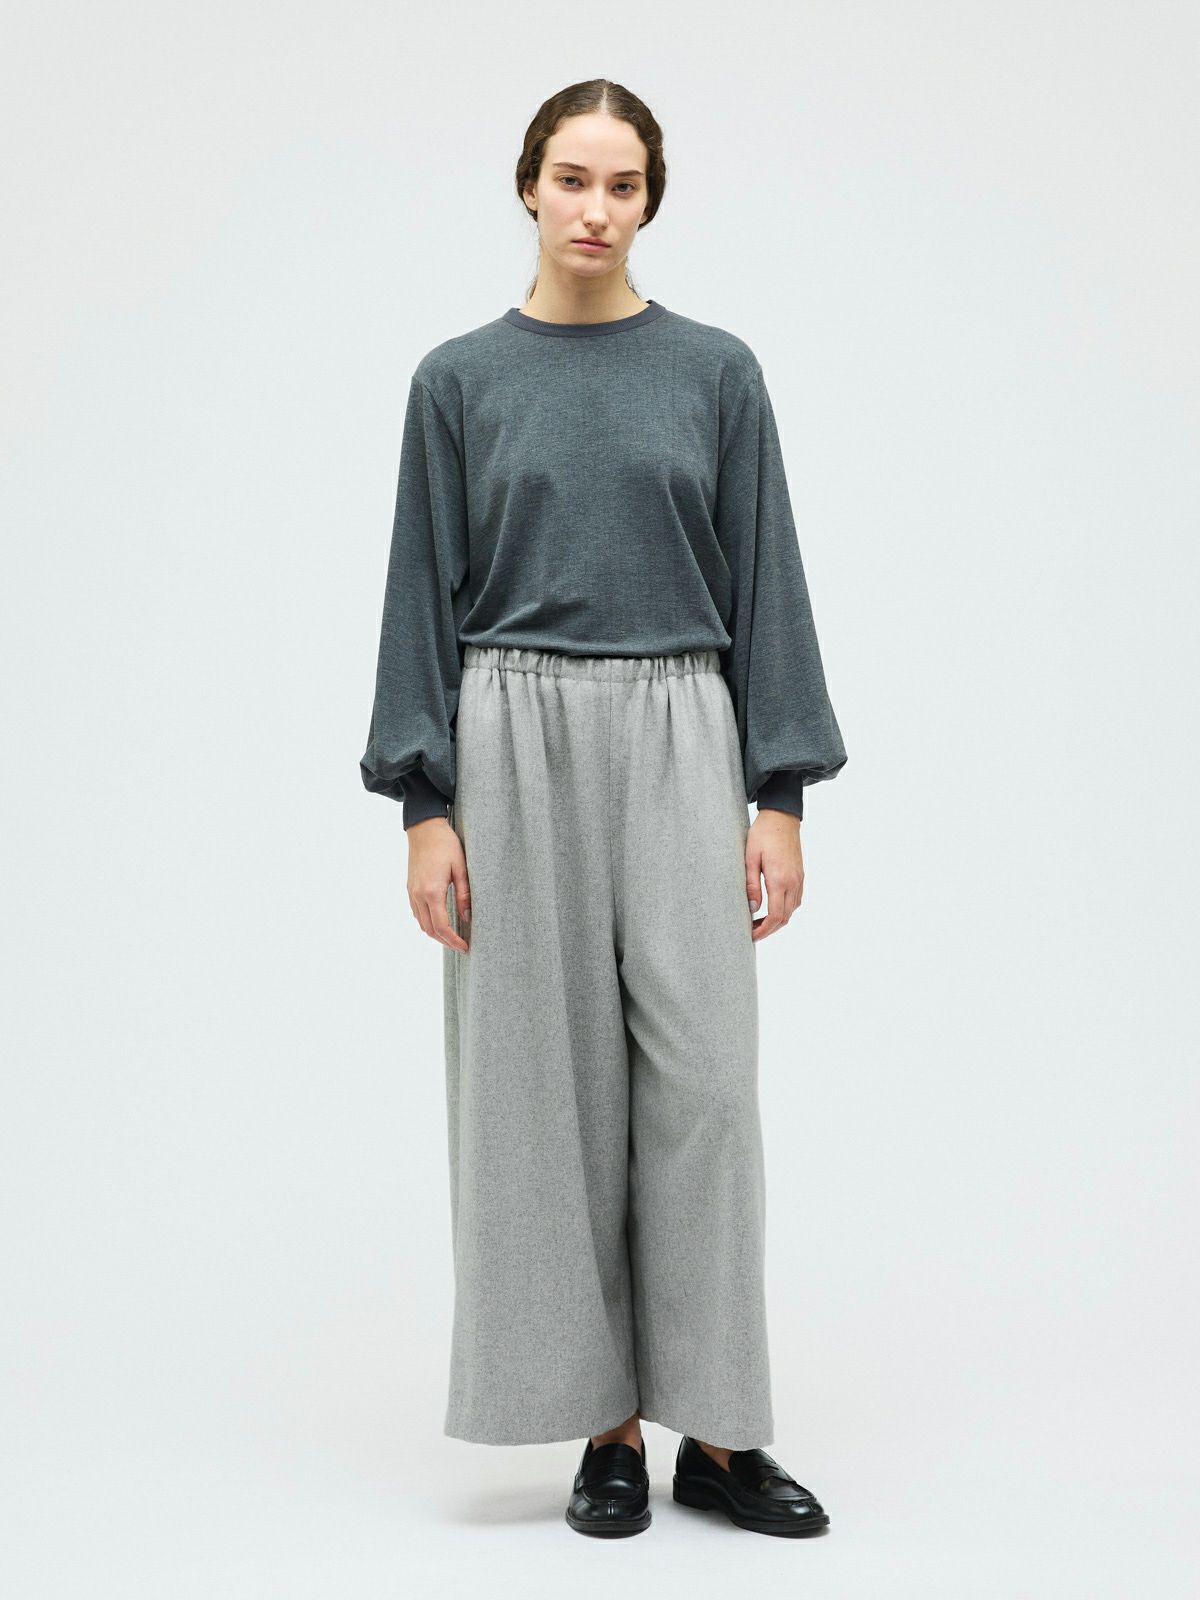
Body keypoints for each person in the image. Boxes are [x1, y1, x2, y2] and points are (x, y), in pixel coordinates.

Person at [359, 79, 847, 1540]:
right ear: (528, 187)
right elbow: (417, 589)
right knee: (542, 1091)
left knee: (706, 1092)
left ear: (650, 201)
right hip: (508, 734)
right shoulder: (458, 381)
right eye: (571, 178)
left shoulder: (715, 373)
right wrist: (424, 803)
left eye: (621, 184)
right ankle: (608, 1431)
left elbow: (765, 574)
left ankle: (723, 1432)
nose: (594, 208)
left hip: (684, 723)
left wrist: (779, 793)